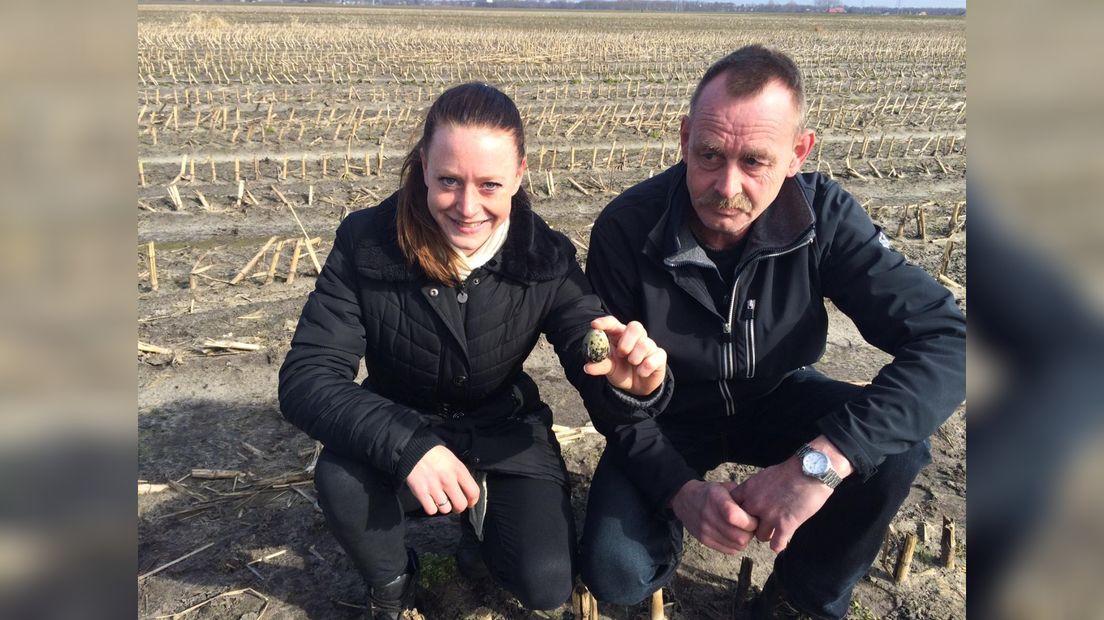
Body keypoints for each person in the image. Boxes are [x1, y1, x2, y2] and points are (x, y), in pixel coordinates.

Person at [579, 45, 966, 619]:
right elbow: (607, 397)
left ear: (797, 154)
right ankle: (664, 546)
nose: (727, 186)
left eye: (755, 161)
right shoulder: (626, 228)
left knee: (896, 449)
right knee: (616, 572)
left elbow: (950, 341)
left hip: (779, 394)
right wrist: (682, 494)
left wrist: (823, 461)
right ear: (684, 138)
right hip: (670, 413)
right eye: (709, 154)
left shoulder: (825, 219)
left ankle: (801, 596)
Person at [278, 83, 670, 619]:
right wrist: (408, 445)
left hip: (503, 431)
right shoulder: (366, 241)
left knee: (547, 587)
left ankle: (480, 532)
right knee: (341, 479)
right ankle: (394, 583)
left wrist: (631, 384)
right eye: (447, 181)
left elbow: (588, 337)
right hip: (401, 418)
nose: (467, 207)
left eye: (489, 185)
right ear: (422, 165)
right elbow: (307, 377)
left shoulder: (545, 255)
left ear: (520, 174)